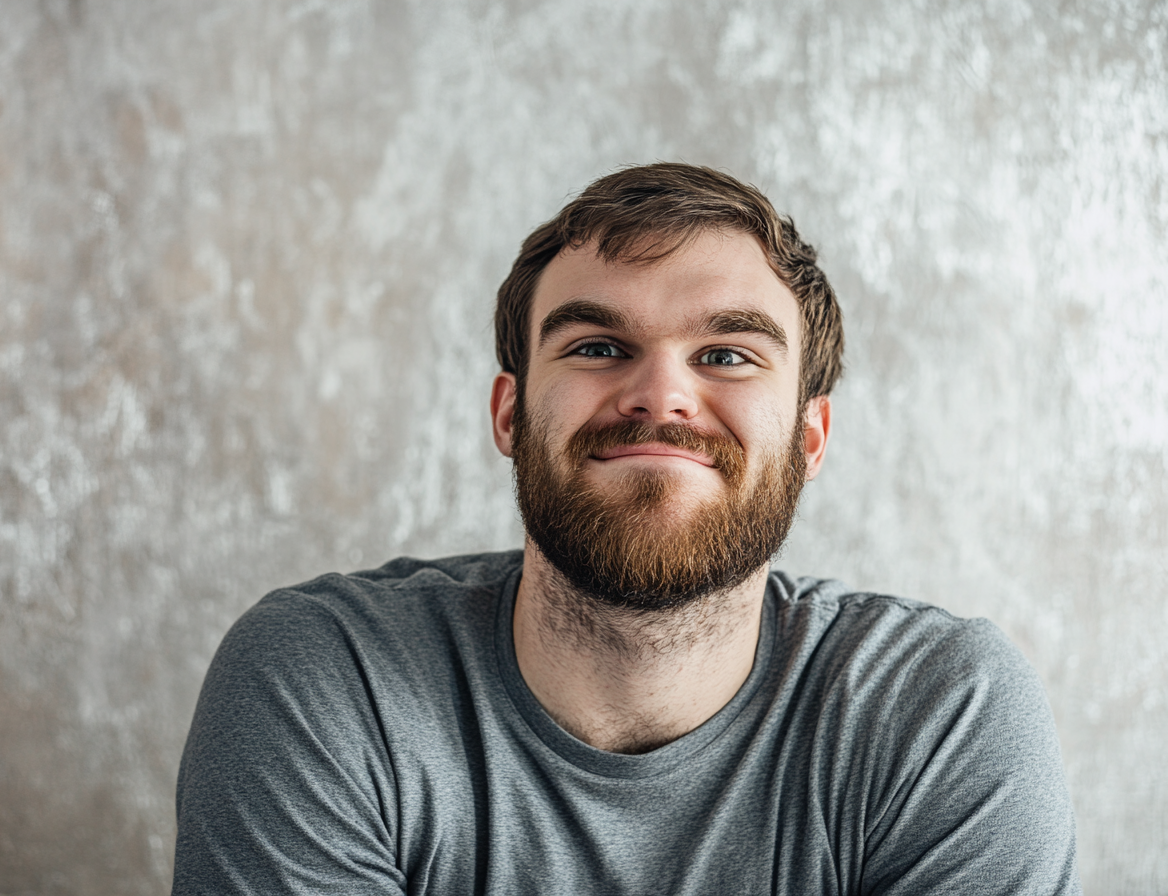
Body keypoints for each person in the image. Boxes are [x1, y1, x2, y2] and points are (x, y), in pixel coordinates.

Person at [171, 163, 1081, 894]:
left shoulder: (939, 714)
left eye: (726, 355)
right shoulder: (327, 682)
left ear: (809, 438)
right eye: (599, 347)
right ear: (510, 414)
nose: (661, 394)